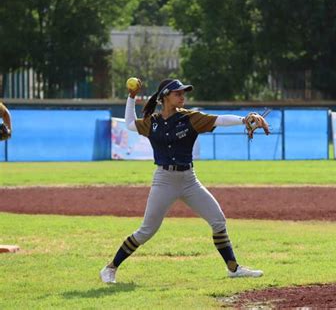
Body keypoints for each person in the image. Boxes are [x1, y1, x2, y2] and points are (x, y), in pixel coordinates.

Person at [100, 78, 270, 283]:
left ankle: (233, 268)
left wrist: (243, 120)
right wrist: (131, 97)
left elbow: (219, 119)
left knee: (218, 220)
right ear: (165, 97)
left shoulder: (190, 118)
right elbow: (128, 124)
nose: (182, 96)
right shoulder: (152, 122)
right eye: (177, 93)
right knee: (147, 230)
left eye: (183, 93)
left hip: (189, 181)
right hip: (164, 181)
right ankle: (110, 268)